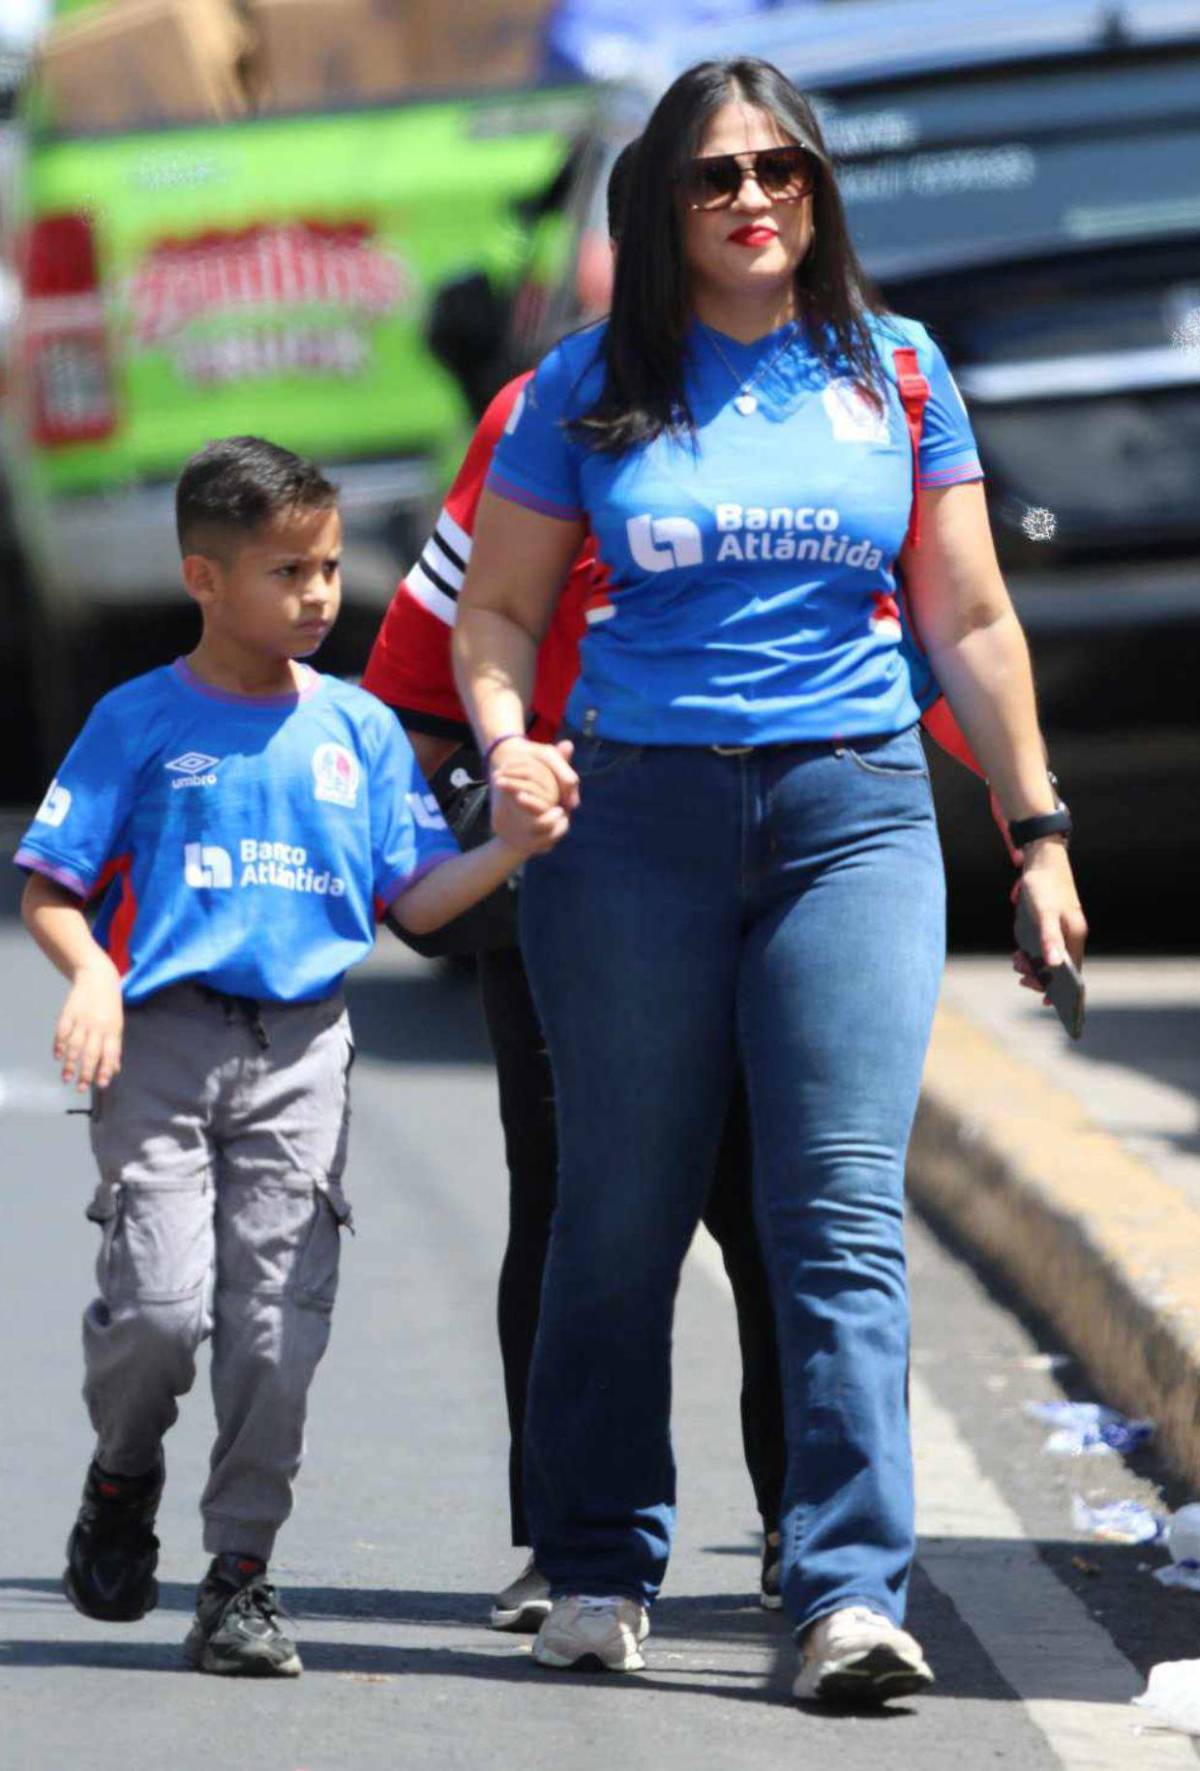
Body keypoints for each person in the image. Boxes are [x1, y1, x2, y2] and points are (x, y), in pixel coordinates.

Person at [453, 59, 1087, 1703]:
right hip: (632, 825)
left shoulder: (896, 367)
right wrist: (509, 739)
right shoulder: (579, 389)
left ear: (819, 193)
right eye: (718, 177)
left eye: (783, 171)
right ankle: (597, 1560)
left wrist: (1038, 831)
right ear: (662, 205)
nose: (755, 200)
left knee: (839, 1215)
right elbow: (501, 614)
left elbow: (968, 617)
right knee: (621, 1210)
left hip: (851, 813)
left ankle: (845, 1593)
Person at [14, 436, 559, 1680]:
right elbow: (51, 886)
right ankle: (122, 1475)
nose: (319, 595)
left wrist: (513, 848)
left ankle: (240, 1578)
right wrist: (94, 970)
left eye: (325, 568)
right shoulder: (139, 719)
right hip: (160, 1043)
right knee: (159, 1313)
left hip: (303, 1055)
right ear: (204, 578)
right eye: (286, 573)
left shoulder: (360, 729)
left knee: (273, 1328)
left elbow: (418, 902)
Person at [362, 143, 788, 1632]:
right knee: (579, 1194)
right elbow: (424, 667)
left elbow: (926, 622)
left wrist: (1022, 817)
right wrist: (474, 824)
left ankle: (814, 1538)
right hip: (575, 872)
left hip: (785, 853)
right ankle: (570, 1536)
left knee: (776, 1196)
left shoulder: (852, 401)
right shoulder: (544, 408)